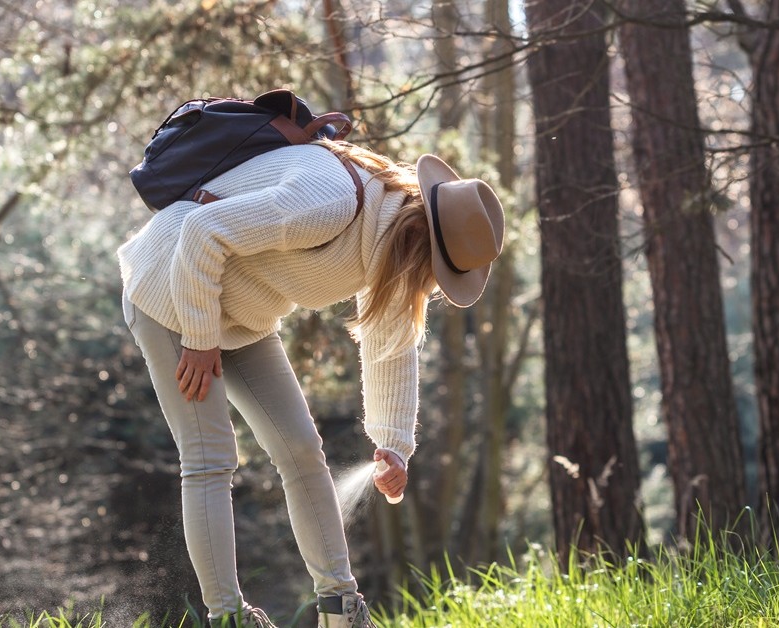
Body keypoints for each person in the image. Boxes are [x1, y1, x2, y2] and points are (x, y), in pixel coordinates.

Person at [117, 139, 505, 627]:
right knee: (210, 457)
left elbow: (391, 342)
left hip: (241, 316)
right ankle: (228, 617)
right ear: (423, 245)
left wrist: (393, 446)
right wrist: (198, 338)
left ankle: (341, 608)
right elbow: (201, 230)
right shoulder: (332, 202)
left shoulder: (389, 243)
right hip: (171, 289)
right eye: (437, 274)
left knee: (301, 448)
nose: (430, 286)